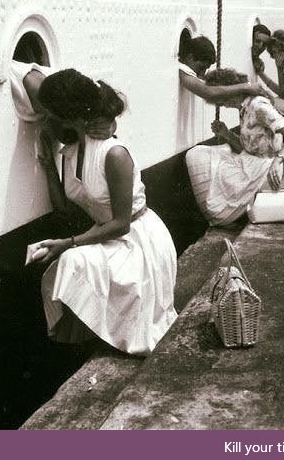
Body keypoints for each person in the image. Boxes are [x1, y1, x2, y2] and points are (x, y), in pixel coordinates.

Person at [35, 69, 178, 355]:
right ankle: (101, 336)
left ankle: (106, 336)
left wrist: (68, 243)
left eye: (49, 113)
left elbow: (122, 223)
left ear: (67, 116)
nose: (45, 118)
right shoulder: (70, 151)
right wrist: (48, 163)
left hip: (138, 242)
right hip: (108, 238)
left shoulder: (114, 154)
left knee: (72, 260)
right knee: (64, 265)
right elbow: (63, 208)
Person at [185, 68, 284, 226]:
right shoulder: (244, 108)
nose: (222, 105)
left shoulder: (258, 106)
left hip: (263, 167)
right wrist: (227, 134)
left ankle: (230, 212)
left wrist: (278, 161)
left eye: (221, 100)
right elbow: (247, 148)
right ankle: (235, 210)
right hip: (249, 161)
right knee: (197, 154)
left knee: (198, 160)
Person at [178, 35, 267, 101]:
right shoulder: (182, 71)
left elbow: (217, 77)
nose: (202, 73)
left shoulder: (191, 67)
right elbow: (208, 92)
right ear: (189, 57)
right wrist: (246, 87)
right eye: (201, 67)